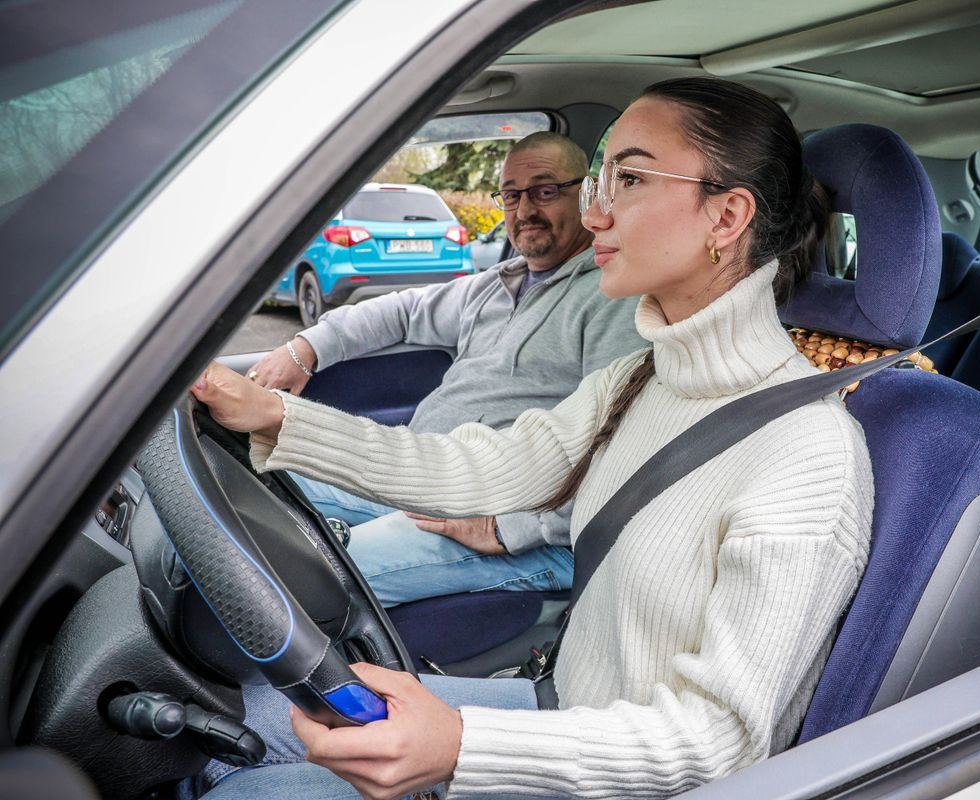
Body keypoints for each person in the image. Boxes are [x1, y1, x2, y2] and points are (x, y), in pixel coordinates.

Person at [192, 77, 874, 799]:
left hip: (623, 774)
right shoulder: (640, 378)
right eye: (601, 182)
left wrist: (461, 748)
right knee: (237, 722)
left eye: (630, 179)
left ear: (727, 216)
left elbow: (720, 743)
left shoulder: (808, 454)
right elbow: (472, 468)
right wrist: (272, 416)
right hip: (561, 706)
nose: (596, 211)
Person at [249, 131, 644, 606]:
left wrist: (511, 527)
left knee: (307, 578)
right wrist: (305, 348)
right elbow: (401, 311)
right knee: (257, 484)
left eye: (544, 191)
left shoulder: (611, 300)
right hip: (431, 476)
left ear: (585, 194)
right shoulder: (495, 285)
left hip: (519, 521)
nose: (524, 211)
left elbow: (619, 455)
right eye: (511, 195)